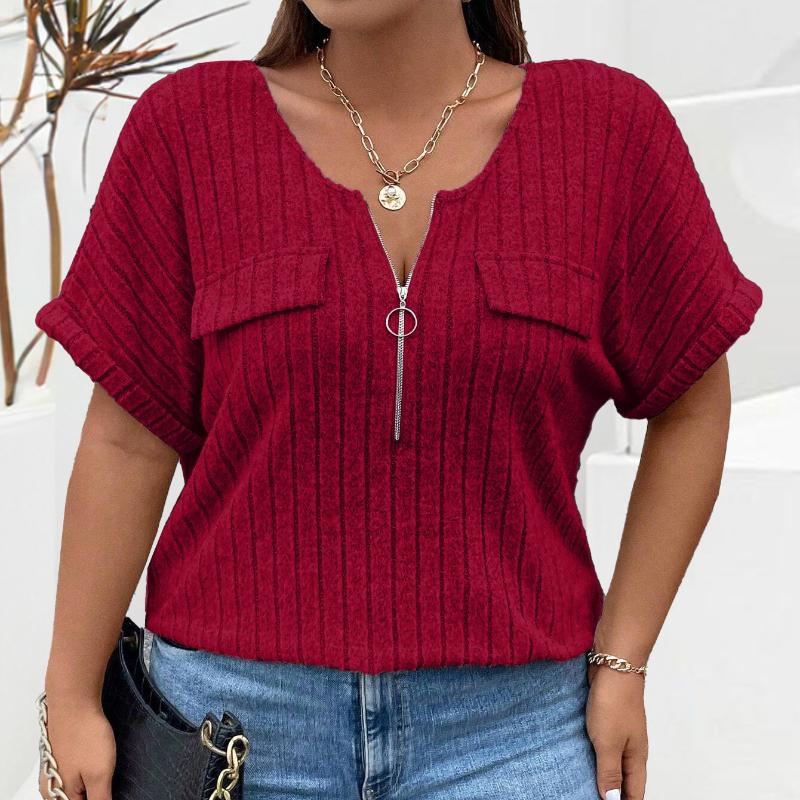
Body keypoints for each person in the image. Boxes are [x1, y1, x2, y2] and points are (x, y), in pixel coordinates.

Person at [34, 2, 763, 799]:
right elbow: (126, 443)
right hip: (231, 740)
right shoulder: (189, 132)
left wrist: (624, 659)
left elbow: (691, 403)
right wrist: (70, 697)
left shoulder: (606, 132)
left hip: (515, 742)